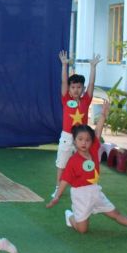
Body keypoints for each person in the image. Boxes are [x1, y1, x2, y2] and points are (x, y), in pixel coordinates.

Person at [46, 101, 127, 234]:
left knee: (116, 214)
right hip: (80, 196)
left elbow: (97, 132)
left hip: (95, 191)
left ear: (92, 142)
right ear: (75, 141)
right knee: (82, 230)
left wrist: (103, 115)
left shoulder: (93, 150)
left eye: (87, 140)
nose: (84, 143)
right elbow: (64, 180)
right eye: (80, 139)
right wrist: (57, 197)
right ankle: (69, 216)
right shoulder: (73, 161)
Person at [53, 51, 101, 199]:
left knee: (85, 163)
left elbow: (92, 84)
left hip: (82, 138)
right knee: (62, 164)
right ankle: (58, 188)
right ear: (69, 89)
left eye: (79, 87)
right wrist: (64, 65)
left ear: (83, 89)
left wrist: (93, 67)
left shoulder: (86, 100)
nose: (76, 90)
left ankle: (84, 188)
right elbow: (63, 82)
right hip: (67, 137)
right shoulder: (66, 99)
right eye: (73, 87)